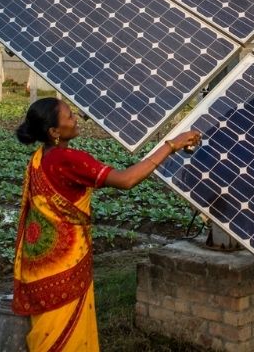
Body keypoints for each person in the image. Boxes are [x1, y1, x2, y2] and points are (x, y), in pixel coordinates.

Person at [11, 97, 201, 351]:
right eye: (69, 116)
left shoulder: (39, 158)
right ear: (54, 132)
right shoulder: (68, 160)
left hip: (40, 268)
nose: (75, 117)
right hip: (65, 270)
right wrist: (171, 146)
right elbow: (125, 180)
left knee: (49, 337)